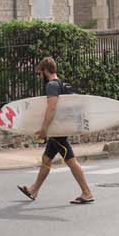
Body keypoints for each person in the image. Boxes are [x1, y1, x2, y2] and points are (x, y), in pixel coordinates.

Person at [18, 56, 95, 205]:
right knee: (46, 159)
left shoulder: (51, 86)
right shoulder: (63, 84)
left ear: (45, 71)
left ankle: (87, 192)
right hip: (59, 129)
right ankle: (34, 190)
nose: (40, 77)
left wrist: (44, 130)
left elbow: (51, 108)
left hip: (56, 130)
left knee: (71, 160)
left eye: (40, 73)